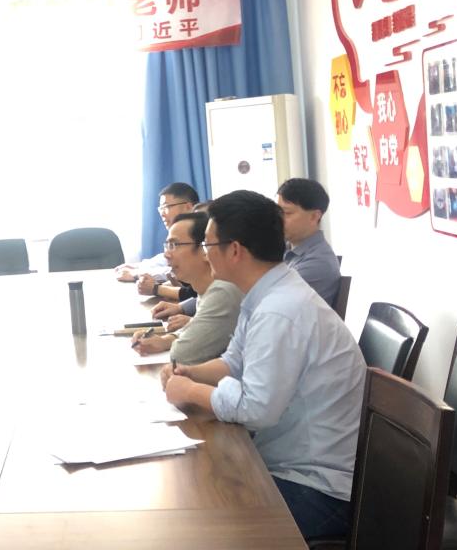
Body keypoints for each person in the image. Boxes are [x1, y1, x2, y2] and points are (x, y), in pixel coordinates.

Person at [159, 190, 364, 540]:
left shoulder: (279, 311)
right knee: (197, 495)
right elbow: (234, 361)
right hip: (287, 461)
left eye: (208, 245)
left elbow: (256, 410)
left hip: (317, 487)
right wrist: (192, 373)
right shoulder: (265, 293)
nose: (205, 255)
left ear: (235, 250)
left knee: (202, 528)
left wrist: (191, 391)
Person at [131, 212, 243, 365]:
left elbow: (182, 354)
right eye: (167, 246)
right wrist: (166, 340)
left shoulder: (222, 293)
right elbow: (199, 327)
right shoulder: (206, 289)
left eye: (174, 245)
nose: (166, 254)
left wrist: (172, 342)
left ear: (205, 249)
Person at [115, 182, 199, 298]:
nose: (162, 214)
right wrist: (138, 266)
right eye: (161, 208)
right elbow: (165, 260)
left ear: (188, 207)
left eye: (166, 207)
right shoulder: (179, 232)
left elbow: (173, 272)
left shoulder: (199, 234)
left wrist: (137, 275)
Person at [276, 178, 341, 308]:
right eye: (278, 212)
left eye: (287, 213)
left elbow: (271, 300)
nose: (278, 219)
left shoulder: (318, 262)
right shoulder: (288, 249)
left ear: (314, 216)